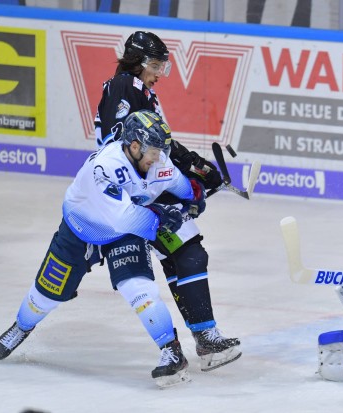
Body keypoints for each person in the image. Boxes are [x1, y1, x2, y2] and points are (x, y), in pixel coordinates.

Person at [0, 110, 194, 387]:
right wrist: (161, 215)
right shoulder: (107, 166)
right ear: (134, 146)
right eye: (153, 151)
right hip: (80, 229)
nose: (158, 157)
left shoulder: (156, 159)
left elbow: (179, 184)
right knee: (46, 294)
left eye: (160, 151)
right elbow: (126, 217)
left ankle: (172, 351)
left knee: (137, 287)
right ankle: (22, 327)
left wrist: (195, 195)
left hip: (121, 233)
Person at [94, 31, 240, 371]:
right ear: (137, 61)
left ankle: (204, 337)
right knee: (184, 254)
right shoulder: (123, 87)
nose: (160, 73)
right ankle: (196, 341)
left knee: (183, 255)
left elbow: (160, 144)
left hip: (143, 189)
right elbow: (132, 144)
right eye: (156, 65)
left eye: (163, 65)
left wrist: (196, 166)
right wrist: (180, 182)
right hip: (133, 195)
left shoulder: (139, 90)